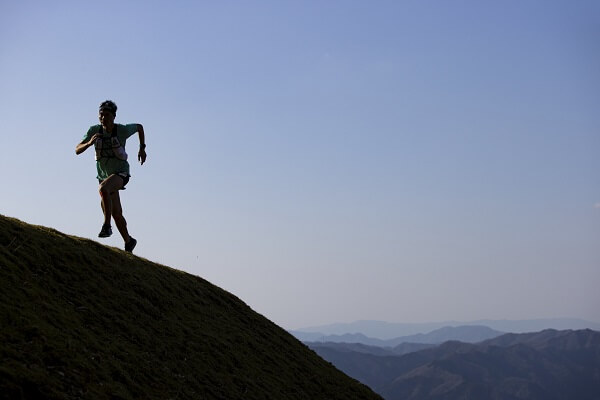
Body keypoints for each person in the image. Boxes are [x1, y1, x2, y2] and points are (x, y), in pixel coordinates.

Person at [76, 100, 146, 253]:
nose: (103, 118)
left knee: (104, 188)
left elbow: (139, 127)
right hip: (104, 175)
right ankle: (129, 241)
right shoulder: (94, 130)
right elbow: (77, 149)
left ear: (114, 116)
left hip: (121, 173)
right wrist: (89, 144)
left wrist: (142, 148)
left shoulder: (122, 130)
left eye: (107, 115)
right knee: (116, 213)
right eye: (101, 115)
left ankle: (106, 226)